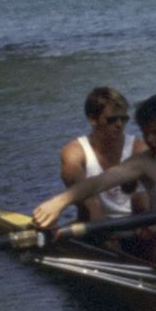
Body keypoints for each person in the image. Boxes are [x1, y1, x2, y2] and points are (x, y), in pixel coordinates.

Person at [31, 92, 156, 289]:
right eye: (146, 134)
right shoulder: (145, 163)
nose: (150, 141)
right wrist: (59, 202)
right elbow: (100, 182)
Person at [56, 87, 146, 225]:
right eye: (112, 119)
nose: (119, 124)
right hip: (96, 224)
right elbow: (74, 178)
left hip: (138, 223)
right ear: (93, 119)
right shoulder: (75, 151)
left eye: (123, 119)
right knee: (70, 171)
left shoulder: (138, 148)